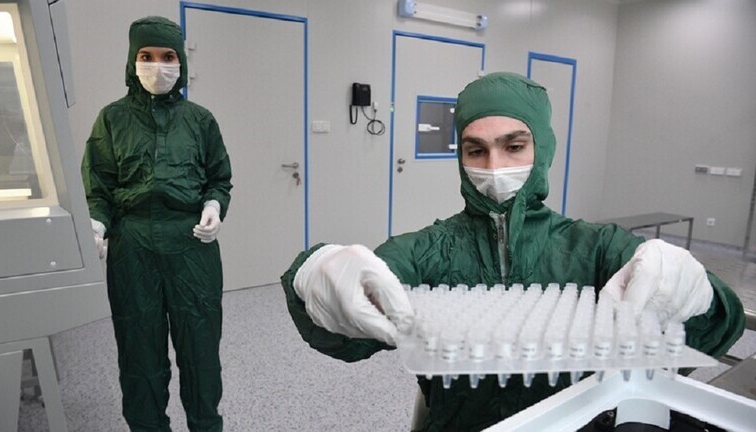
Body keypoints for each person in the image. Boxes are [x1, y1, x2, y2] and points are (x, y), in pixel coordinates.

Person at [281, 72, 745, 431]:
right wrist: (313, 273)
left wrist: (698, 296)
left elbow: (712, 331)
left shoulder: (597, 248)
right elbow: (347, 336)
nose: (494, 166)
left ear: (542, 148)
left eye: (514, 146)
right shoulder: (427, 251)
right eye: (475, 151)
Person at [81, 16, 232, 432]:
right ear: (132, 60)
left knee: (201, 350)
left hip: (191, 247)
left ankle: (205, 424)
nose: (157, 66)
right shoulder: (112, 119)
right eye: (146, 56)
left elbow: (219, 178)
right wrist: (96, 224)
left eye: (167, 57)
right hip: (133, 248)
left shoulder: (200, 120)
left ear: (181, 61)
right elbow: (99, 186)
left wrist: (214, 206)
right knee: (139, 352)